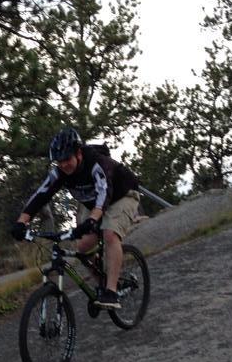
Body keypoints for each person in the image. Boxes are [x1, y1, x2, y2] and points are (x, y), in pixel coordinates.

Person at [11, 126, 140, 308]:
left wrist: (92, 219)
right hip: (94, 204)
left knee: (109, 233)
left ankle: (111, 292)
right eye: (59, 161)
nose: (63, 164)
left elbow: (104, 192)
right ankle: (102, 284)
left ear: (78, 153)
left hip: (122, 195)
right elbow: (41, 194)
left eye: (67, 159)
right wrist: (21, 222)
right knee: (82, 247)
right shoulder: (60, 172)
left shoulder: (96, 163)